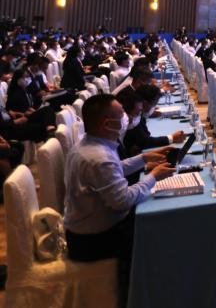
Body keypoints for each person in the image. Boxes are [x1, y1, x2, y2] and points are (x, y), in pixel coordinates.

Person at [64, 95, 175, 300]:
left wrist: (144, 158)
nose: (126, 117)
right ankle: (142, 297)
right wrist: (153, 177)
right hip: (93, 241)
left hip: (83, 230)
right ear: (107, 124)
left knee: (154, 219)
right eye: (121, 114)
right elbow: (122, 200)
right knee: (159, 233)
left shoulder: (89, 144)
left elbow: (115, 169)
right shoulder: (99, 158)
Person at [122, 85, 186, 156]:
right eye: (154, 103)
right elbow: (144, 141)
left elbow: (146, 135)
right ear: (145, 103)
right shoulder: (133, 117)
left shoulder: (138, 113)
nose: (153, 107)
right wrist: (172, 138)